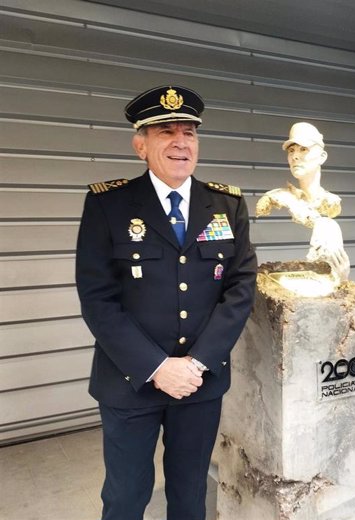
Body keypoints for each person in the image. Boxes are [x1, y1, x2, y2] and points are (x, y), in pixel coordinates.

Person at [75, 85, 257, 520]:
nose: (181, 142)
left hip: (200, 383)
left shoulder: (225, 205)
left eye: (190, 133)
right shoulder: (109, 204)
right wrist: (158, 368)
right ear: (140, 145)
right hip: (129, 381)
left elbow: (240, 288)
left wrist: (195, 364)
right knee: (125, 496)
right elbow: (97, 296)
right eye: (166, 132)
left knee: (191, 494)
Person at [256, 121, 350, 283]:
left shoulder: (331, 205)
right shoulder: (278, 198)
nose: (295, 156)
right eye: (291, 150)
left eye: (303, 149)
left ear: (322, 157)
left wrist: (342, 278)